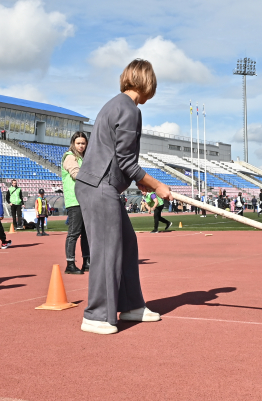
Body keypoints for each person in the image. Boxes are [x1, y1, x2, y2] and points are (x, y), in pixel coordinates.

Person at [75, 59, 171, 334]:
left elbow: (115, 156)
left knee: (126, 245)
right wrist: (155, 185)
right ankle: (97, 314)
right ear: (147, 83)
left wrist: (135, 181)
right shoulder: (130, 110)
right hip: (99, 186)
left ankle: (130, 305)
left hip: (101, 184)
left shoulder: (114, 104)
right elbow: (126, 160)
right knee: (108, 251)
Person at [62, 131, 90, 275]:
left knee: (86, 233)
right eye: (78, 143)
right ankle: (70, 263)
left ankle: (87, 261)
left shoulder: (84, 157)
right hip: (74, 200)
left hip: (85, 199)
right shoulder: (69, 157)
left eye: (83, 143)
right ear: (73, 143)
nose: (81, 146)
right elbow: (76, 174)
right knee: (74, 233)